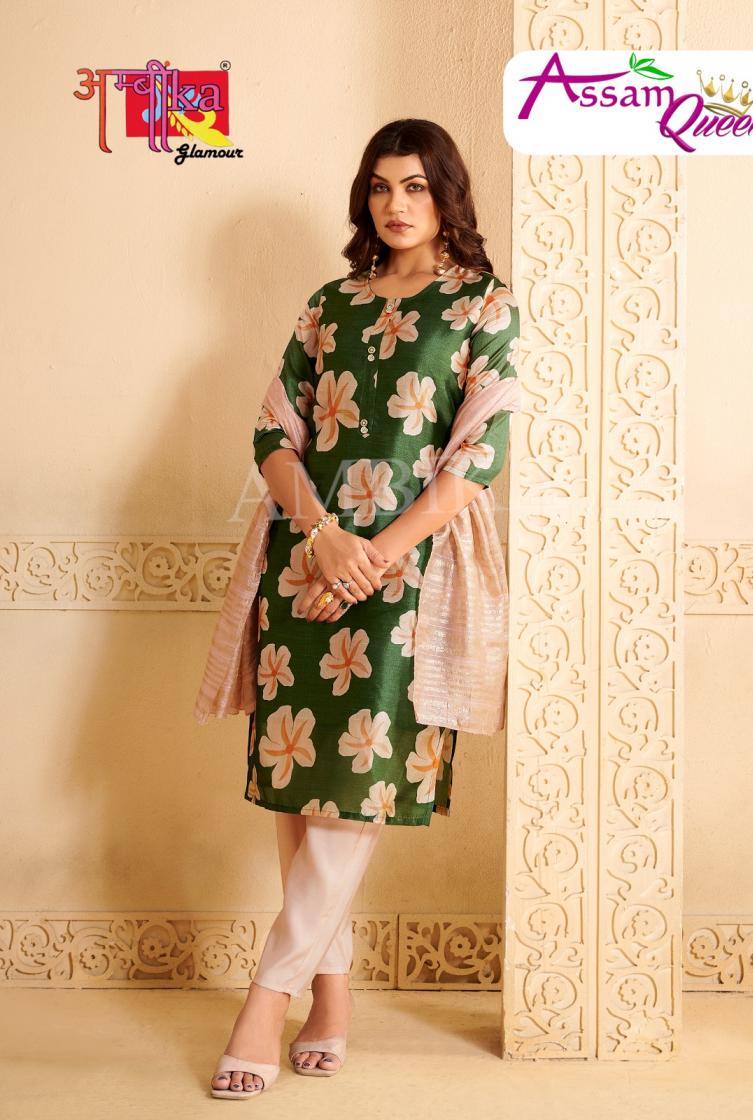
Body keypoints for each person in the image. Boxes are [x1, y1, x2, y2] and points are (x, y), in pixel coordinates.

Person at [207, 117, 521, 1098]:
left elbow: (477, 454)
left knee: (357, 785)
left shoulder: (482, 306)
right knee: (300, 783)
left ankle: (265, 998)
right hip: (308, 563)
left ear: (447, 196)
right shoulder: (329, 305)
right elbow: (273, 433)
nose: (395, 203)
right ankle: (331, 998)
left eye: (415, 186)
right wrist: (322, 537)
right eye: (381, 186)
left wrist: (378, 551)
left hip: (410, 577)